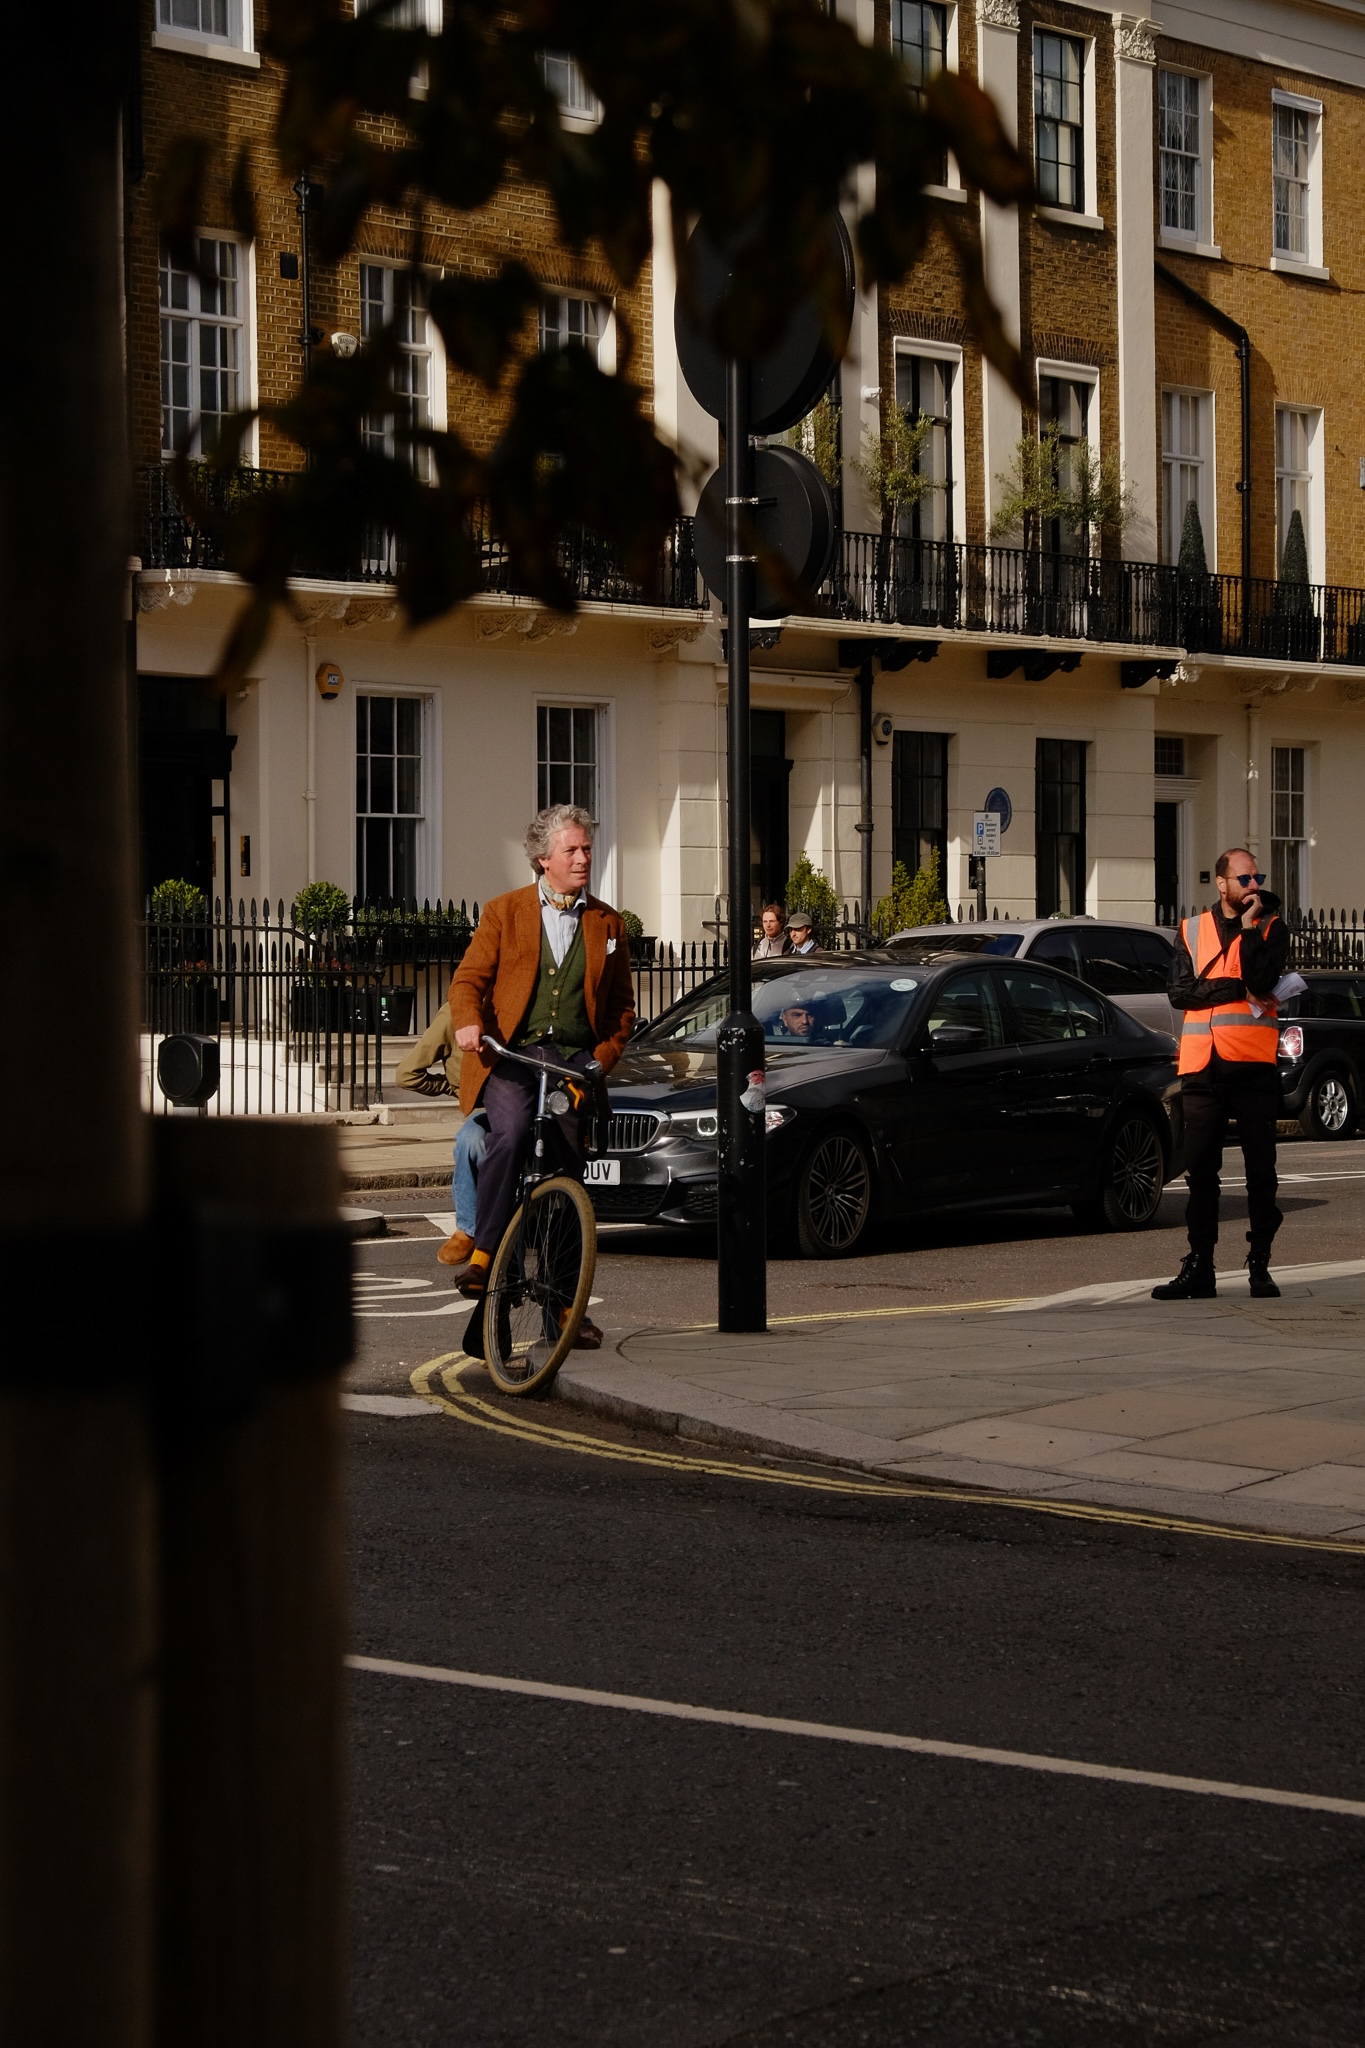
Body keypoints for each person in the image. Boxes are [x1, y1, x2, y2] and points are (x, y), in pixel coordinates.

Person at [446, 804, 636, 1345]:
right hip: (514, 1058)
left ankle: (561, 1307)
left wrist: (603, 1058)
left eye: (586, 849)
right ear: (542, 859)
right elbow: (466, 982)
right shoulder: (503, 912)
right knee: (507, 1135)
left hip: (574, 1065)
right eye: (572, 850)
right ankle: (484, 1254)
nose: (583, 857)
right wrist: (468, 1024)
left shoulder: (608, 923)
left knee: (568, 1179)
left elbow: (623, 1010)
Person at [1152, 848, 1289, 1302]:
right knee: (1201, 1173)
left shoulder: (1271, 927)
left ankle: (1261, 1265)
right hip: (1201, 1067)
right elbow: (1178, 992)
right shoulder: (1191, 929)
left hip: (1251, 1066)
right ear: (1222, 883)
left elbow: (1262, 981)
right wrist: (1231, 988)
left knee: (1260, 1173)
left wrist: (1250, 929)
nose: (1254, 885)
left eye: (1258, 878)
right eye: (1244, 878)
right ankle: (1200, 1267)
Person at [393, 1006, 488, 1267]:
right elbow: (407, 1075)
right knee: (471, 1140)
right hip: (486, 1105)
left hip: (530, 1097)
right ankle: (468, 1229)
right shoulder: (454, 1013)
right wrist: (457, 1089)